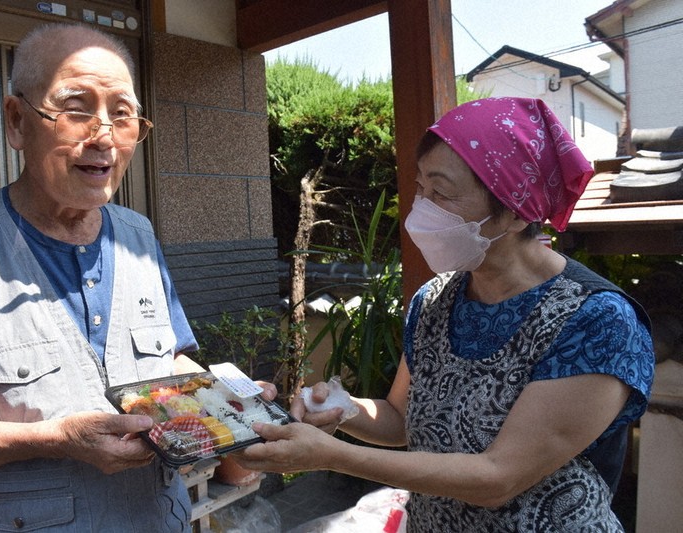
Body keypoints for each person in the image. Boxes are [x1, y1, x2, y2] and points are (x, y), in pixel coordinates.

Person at [235, 97, 655, 532]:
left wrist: (332, 456)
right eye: (421, 188)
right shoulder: (436, 298)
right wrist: (342, 408)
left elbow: (499, 478)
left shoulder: (595, 321)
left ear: (515, 211)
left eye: (442, 193)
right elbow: (400, 418)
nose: (421, 209)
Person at [0, 23, 207, 532]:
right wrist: (55, 439)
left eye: (122, 114)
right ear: (17, 122)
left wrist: (221, 401)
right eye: (77, 108)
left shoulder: (139, 235)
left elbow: (172, 358)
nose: (104, 135)